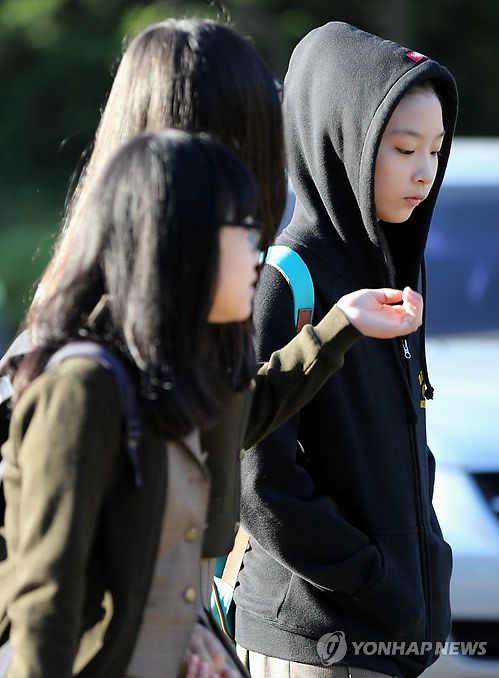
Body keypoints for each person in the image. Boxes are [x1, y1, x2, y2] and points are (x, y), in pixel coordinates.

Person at [0, 18, 424, 675]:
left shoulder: (188, 322)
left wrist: (184, 618)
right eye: (255, 135)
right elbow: (47, 599)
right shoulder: (83, 366)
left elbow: (227, 412)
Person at [234, 21, 459, 678]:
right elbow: (259, 479)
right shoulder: (289, 279)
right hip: (313, 643)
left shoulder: (390, 269)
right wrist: (372, 577)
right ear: (344, 144)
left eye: (436, 150)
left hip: (382, 640)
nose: (424, 172)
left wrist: (427, 567)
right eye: (402, 148)